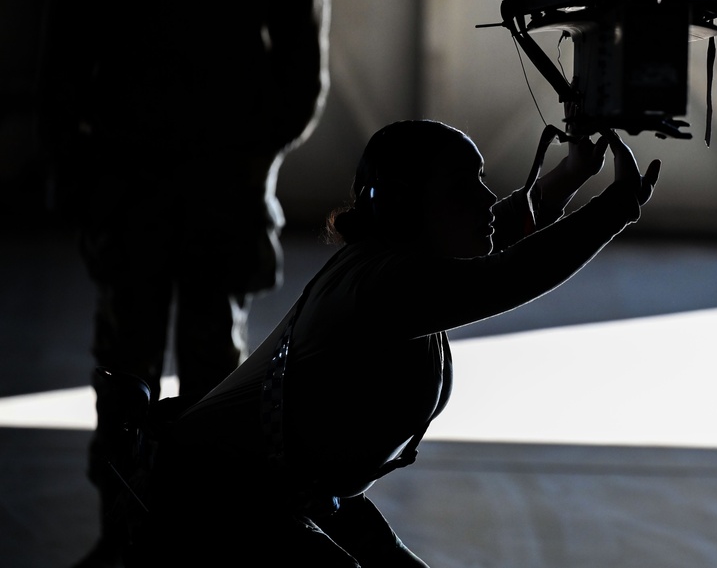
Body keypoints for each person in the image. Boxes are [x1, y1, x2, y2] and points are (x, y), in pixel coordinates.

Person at [120, 118, 660, 566]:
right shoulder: (382, 287)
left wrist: (568, 176)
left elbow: (493, 230)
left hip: (275, 488)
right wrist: (613, 210)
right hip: (213, 502)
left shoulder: (401, 261)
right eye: (463, 185)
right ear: (405, 208)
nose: (485, 196)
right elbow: (508, 275)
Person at [35, 0, 330, 566]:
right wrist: (74, 160)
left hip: (197, 184)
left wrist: (252, 155)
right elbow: (67, 37)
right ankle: (129, 537)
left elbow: (303, 58)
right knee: (131, 374)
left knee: (212, 384)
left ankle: (198, 542)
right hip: (140, 179)